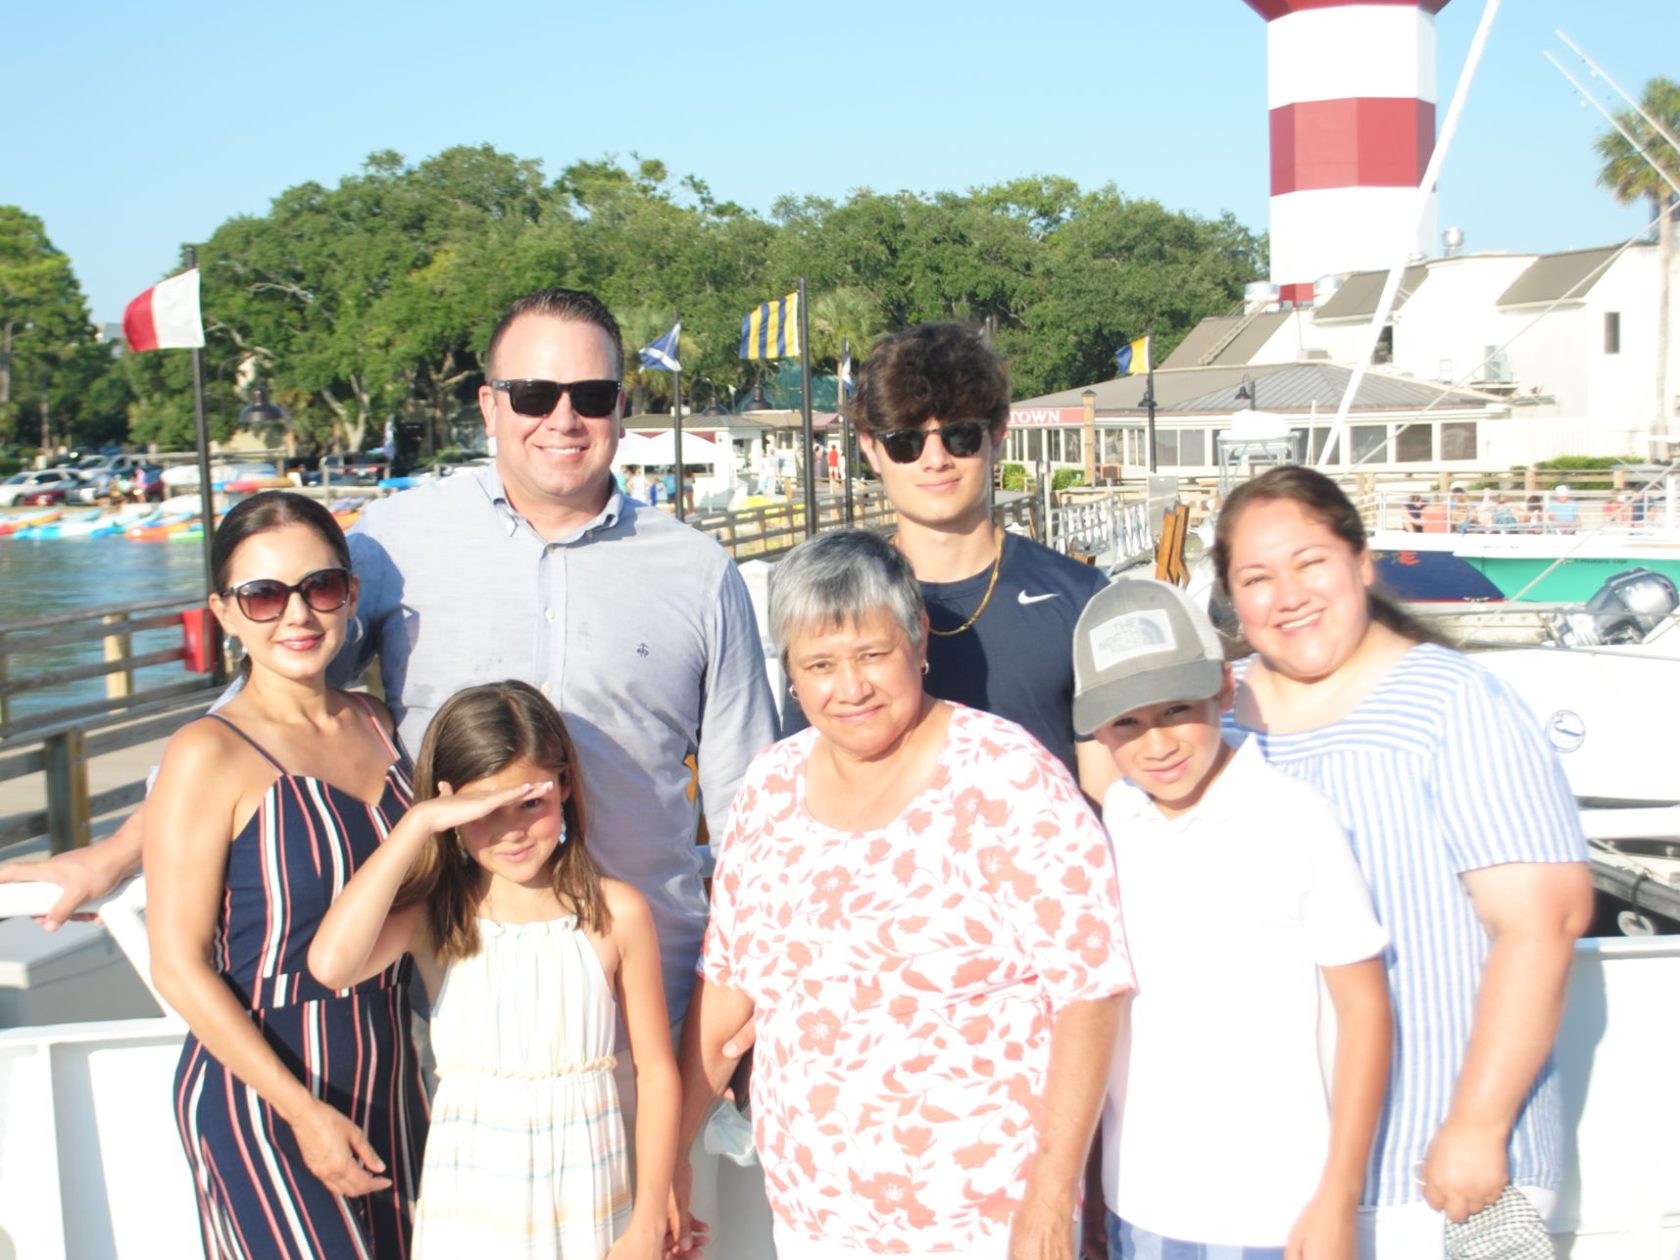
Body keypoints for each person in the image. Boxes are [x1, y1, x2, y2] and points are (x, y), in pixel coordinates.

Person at [2, 288, 779, 1242]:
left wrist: (707, 1074)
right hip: (439, 1018)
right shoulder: (393, 546)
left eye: (592, 392)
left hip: (639, 1016)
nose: (563, 418)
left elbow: (758, 815)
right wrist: (119, 852)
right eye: (533, 393)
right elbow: (267, 716)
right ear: (488, 404)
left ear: (625, 403)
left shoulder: (699, 572)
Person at [677, 529, 1132, 1260]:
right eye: (819, 664)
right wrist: (672, 1151)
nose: (848, 687)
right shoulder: (770, 785)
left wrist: (1051, 1198)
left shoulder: (1007, 775)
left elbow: (1091, 989)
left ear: (919, 642)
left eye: (872, 655)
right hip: (814, 1213)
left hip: (984, 1215)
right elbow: (730, 983)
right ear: (791, 675)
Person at [1212, 466, 1592, 1258]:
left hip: (1436, 1173)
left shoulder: (1454, 704)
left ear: (1361, 561)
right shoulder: (1217, 716)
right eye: (1257, 577)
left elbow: (1543, 921)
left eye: (1310, 562)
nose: (1289, 595)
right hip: (1279, 1184)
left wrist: (1478, 1125)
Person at [1071, 578, 1391, 1259]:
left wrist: (1338, 1196)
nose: (1156, 743)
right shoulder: (1119, 817)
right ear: (1099, 730)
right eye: (1126, 722)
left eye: (1176, 708)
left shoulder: (1296, 818)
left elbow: (1364, 1012)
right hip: (1141, 1201)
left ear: (1223, 686)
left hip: (1275, 1211)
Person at [144, 491, 428, 1257]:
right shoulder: (207, 754)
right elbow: (176, 963)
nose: (296, 616)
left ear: (350, 595)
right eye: (263, 596)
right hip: (262, 1093)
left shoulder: (379, 724)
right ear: (226, 614)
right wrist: (301, 1111)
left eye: (320, 588)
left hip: (389, 1069)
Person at [309, 681, 678, 1260]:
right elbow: (331, 965)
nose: (510, 830)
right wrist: (418, 824)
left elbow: (656, 1073)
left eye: (530, 803)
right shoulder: (436, 918)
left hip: (588, 1198)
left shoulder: (615, 913)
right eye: (484, 809)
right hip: (474, 1207)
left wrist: (650, 1219)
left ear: (564, 789)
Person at [784, 323, 1116, 799]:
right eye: (906, 442)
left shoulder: (1079, 597)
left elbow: (1107, 797)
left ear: (996, 436)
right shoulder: (827, 608)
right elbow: (804, 771)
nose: (935, 459)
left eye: (959, 436)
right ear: (870, 449)